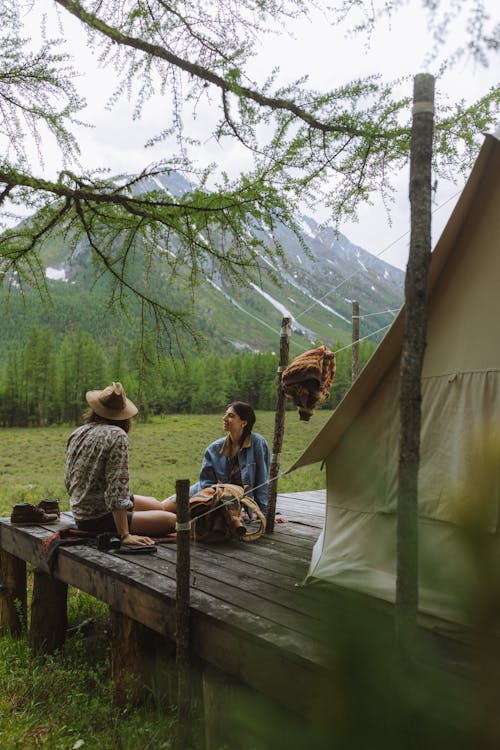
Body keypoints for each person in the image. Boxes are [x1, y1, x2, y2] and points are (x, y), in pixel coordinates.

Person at [65, 382, 176, 546]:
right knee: (171, 521)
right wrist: (125, 534)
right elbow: (117, 488)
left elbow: (69, 480)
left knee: (156, 504)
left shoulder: (78, 432)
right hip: (98, 518)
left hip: (82, 510)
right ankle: (123, 526)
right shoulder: (117, 435)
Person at [164, 402, 271, 517]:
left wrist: (262, 513)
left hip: (228, 506)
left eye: (231, 416)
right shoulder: (214, 448)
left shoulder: (258, 444)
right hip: (205, 497)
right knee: (163, 508)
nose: (224, 418)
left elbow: (262, 481)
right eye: (225, 415)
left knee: (170, 518)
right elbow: (206, 483)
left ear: (243, 423)